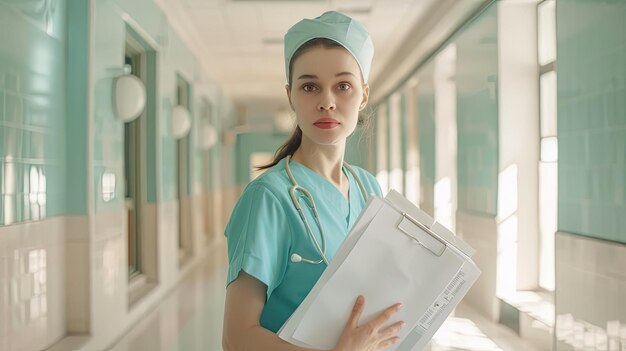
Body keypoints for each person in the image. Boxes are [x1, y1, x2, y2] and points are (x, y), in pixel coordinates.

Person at [222, 11, 405, 351]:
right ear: (291, 95)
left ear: (363, 95)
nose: (326, 101)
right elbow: (237, 338)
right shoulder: (268, 198)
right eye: (310, 86)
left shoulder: (369, 188)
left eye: (343, 86)